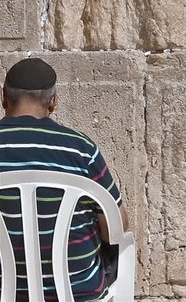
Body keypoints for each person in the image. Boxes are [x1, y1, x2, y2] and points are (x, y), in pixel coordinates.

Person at [0, 57, 129, 301]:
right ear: (53, 102)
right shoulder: (81, 149)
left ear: (3, 96)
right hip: (77, 291)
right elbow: (117, 226)